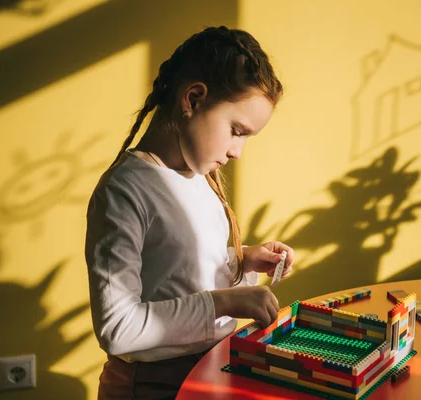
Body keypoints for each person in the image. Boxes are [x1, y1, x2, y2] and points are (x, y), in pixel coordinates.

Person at [84, 25, 294, 400]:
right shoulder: (124, 190)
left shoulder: (199, 178)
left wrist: (243, 261)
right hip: (150, 387)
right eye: (236, 131)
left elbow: (172, 269)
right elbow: (118, 327)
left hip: (205, 373)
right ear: (193, 99)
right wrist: (227, 301)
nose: (236, 152)